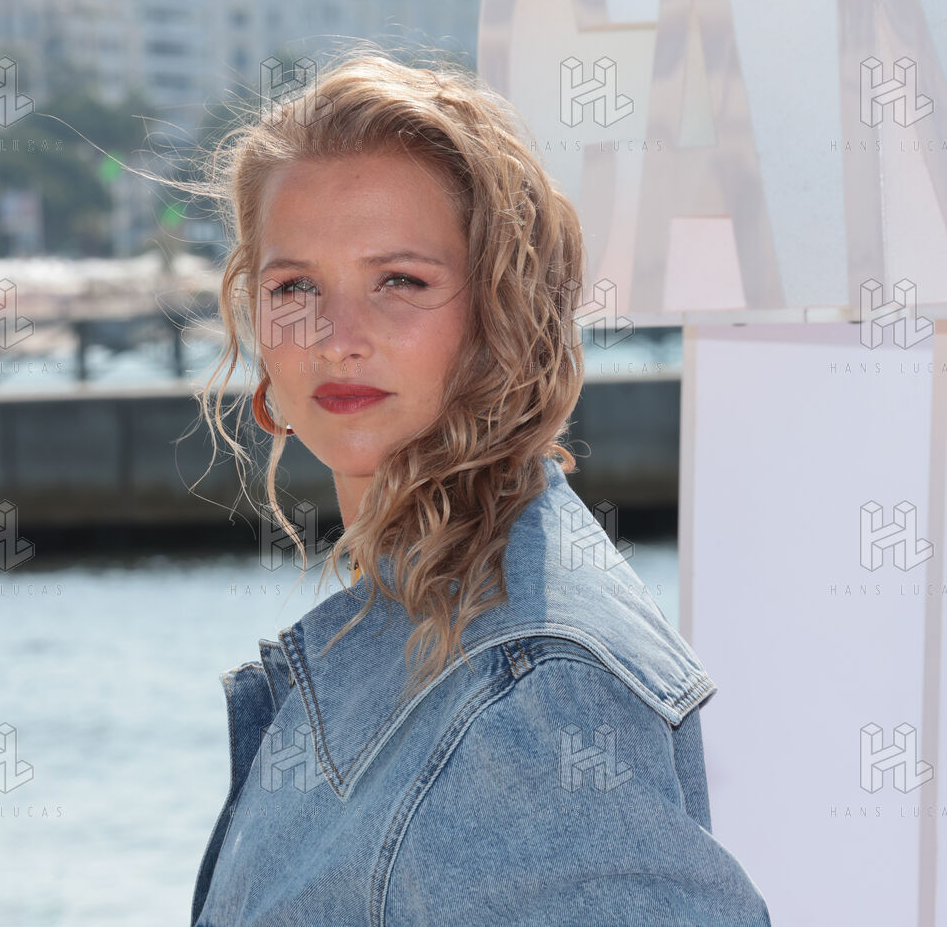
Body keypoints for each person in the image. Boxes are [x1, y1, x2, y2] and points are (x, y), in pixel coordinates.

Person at [182, 49, 772, 925]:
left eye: (400, 281)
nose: (337, 336)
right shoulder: (429, 633)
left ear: (501, 311)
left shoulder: (530, 688)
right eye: (295, 285)